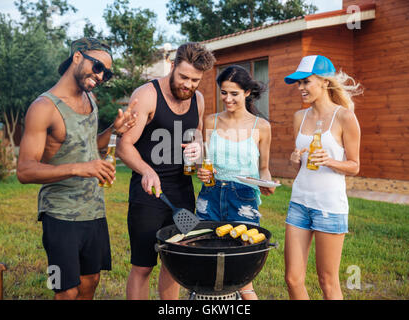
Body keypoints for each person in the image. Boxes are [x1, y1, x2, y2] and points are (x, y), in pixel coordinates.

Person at [16, 37, 137, 300]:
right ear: (78, 57)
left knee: (90, 281)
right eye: (98, 67)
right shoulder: (43, 107)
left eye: (107, 73)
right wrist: (81, 168)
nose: (101, 76)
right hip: (59, 215)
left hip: (93, 210)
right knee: (65, 289)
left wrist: (113, 131)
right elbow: (24, 171)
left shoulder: (90, 99)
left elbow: (88, 146)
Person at [116, 42, 215, 300]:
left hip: (182, 192)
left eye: (195, 80)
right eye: (183, 77)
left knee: (176, 262)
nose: (188, 85)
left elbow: (198, 135)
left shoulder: (199, 99)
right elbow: (124, 146)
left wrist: (197, 147)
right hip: (148, 193)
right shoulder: (148, 95)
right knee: (143, 265)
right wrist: (146, 170)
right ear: (171, 67)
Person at [195, 65, 278, 300]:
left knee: (242, 268)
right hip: (210, 194)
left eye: (234, 93)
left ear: (247, 92)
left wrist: (268, 183)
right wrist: (203, 172)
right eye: (223, 92)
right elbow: (206, 162)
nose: (227, 99)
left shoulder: (260, 127)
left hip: (244, 197)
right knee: (207, 260)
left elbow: (264, 168)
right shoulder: (210, 121)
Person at [283, 55, 362, 300]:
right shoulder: (300, 117)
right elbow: (301, 167)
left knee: (327, 281)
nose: (301, 88)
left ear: (325, 83)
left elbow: (355, 166)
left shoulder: (345, 117)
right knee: (293, 278)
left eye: (306, 82)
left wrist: (330, 161)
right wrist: (294, 160)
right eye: (298, 83)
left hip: (329, 207)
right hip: (299, 203)